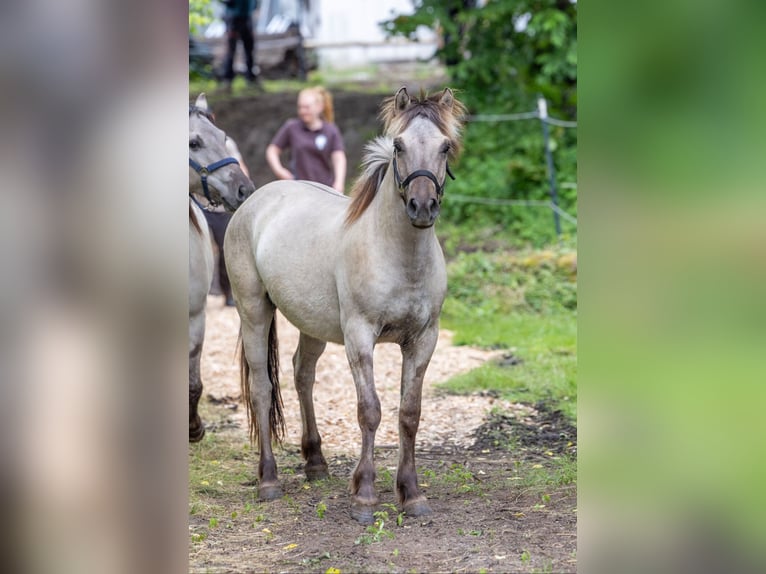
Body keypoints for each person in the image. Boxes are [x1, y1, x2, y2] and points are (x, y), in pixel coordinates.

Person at [265, 87, 347, 193]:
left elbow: (339, 157)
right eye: (300, 107)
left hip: (325, 190)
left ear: (319, 107)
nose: (302, 111)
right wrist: (279, 170)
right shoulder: (292, 127)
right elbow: (272, 150)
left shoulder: (330, 130)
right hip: (298, 189)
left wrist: (339, 182)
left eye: (307, 107)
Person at [220, 0, 261, 91]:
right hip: (233, 18)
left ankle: (251, 78)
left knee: (249, 49)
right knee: (230, 50)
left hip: (247, 16)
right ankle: (227, 79)